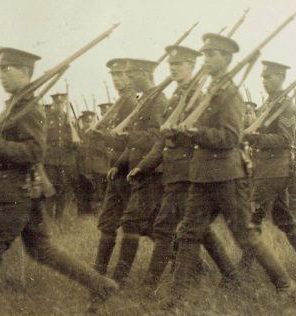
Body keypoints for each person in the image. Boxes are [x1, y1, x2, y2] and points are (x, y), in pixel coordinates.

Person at [0, 47, 117, 316]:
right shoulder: (16, 106)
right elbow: (0, 152)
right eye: (0, 70)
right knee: (41, 249)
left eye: (7, 70)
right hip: (21, 189)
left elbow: (33, 153)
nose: (1, 76)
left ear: (25, 72)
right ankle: (101, 286)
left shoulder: (29, 110)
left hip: (16, 190)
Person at [167, 33, 296, 305]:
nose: (207, 59)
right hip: (202, 174)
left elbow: (230, 137)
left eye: (212, 54)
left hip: (227, 175)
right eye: (205, 54)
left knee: (245, 234)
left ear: (226, 58)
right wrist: (178, 133)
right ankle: (176, 297)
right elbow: (196, 134)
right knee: (189, 232)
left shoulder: (230, 94)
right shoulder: (209, 92)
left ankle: (285, 284)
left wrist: (195, 133)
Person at [130, 45, 238, 290]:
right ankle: (230, 274)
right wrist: (145, 167)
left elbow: (200, 135)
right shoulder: (177, 97)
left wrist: (182, 133)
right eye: (171, 64)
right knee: (199, 228)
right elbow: (162, 140)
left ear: (192, 66)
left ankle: (151, 284)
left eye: (179, 64)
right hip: (174, 172)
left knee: (165, 226)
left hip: (187, 172)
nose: (173, 68)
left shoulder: (199, 97)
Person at [241, 60, 296, 273]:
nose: (265, 81)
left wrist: (258, 139)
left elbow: (285, 140)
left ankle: (242, 268)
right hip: (264, 168)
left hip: (275, 169)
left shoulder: (286, 106)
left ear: (281, 78)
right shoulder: (267, 105)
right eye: (263, 77)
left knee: (253, 217)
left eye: (270, 77)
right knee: (283, 218)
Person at [106, 58, 167, 285]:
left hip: (153, 171)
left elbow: (156, 136)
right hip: (138, 169)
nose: (129, 80)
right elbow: (134, 144)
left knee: (132, 222)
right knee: (155, 226)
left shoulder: (159, 100)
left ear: (145, 74)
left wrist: (127, 137)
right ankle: (193, 266)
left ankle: (118, 280)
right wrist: (119, 165)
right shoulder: (145, 100)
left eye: (132, 75)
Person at [92, 58, 137, 276]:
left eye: (121, 75)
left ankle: (185, 262)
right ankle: (98, 273)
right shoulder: (120, 103)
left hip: (128, 170)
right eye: (114, 76)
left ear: (131, 77)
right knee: (108, 223)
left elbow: (132, 141)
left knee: (141, 225)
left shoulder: (132, 104)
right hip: (115, 170)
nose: (117, 80)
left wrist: (106, 138)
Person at [43, 93, 78, 219]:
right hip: (50, 158)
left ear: (64, 104)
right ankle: (48, 216)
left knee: (62, 187)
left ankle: (59, 217)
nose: (59, 106)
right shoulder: (47, 118)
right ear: (53, 104)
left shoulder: (70, 120)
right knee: (50, 187)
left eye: (61, 103)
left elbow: (76, 141)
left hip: (65, 159)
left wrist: (74, 142)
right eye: (56, 103)